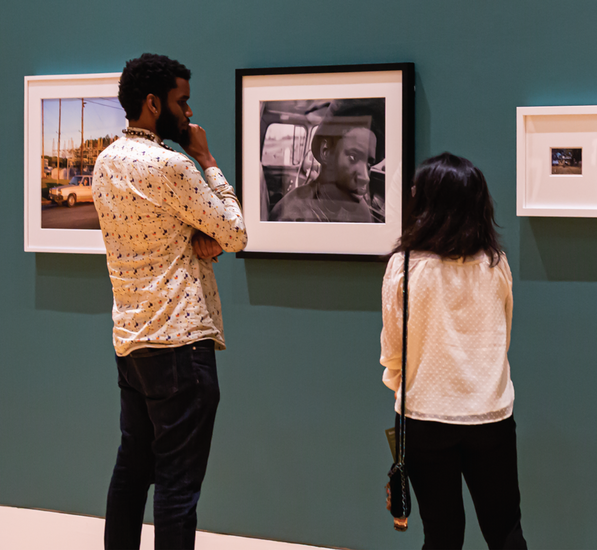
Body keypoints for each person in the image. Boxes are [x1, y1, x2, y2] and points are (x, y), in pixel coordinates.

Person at [92, 53, 247, 550]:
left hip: (132, 343)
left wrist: (203, 237)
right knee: (178, 490)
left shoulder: (105, 162)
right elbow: (237, 232)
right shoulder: (175, 165)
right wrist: (209, 160)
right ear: (154, 103)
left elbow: (197, 233)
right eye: (182, 102)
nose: (190, 114)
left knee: (131, 473)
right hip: (181, 347)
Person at [380, 153, 528, 549]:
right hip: (490, 414)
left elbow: (393, 350)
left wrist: (402, 384)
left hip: (424, 415)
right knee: (505, 530)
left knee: (442, 534)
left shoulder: (404, 265)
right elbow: (503, 337)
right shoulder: (495, 264)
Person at [270, 101, 383, 223]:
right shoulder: (289, 214)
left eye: (369, 165)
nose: (366, 178)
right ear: (326, 151)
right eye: (353, 157)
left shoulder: (363, 214)